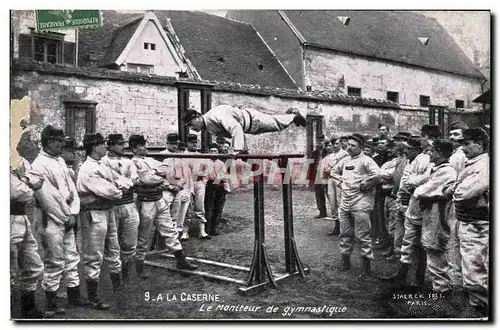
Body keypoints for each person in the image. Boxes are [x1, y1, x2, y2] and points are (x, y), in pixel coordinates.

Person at [31, 126, 83, 315]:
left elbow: (72, 189)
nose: (62, 144)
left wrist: (74, 212)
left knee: (71, 256)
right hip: (50, 218)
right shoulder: (38, 165)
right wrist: (66, 216)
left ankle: (74, 297)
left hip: (68, 215)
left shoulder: (60, 160)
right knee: (54, 259)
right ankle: (51, 302)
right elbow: (48, 199)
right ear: (50, 142)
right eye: (59, 141)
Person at [129, 135, 198, 273]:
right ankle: (139, 266)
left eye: (144, 144)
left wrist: (154, 174)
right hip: (146, 201)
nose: (144, 147)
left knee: (170, 230)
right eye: (141, 145)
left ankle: (181, 260)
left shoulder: (150, 160)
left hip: (159, 198)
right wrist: (155, 176)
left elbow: (167, 171)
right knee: (143, 235)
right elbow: (143, 180)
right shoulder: (132, 163)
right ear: (134, 148)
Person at [382, 124, 440, 287]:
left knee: (420, 244)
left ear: (431, 138)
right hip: (404, 203)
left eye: (423, 135)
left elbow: (421, 180)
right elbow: (406, 181)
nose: (406, 151)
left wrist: (412, 183)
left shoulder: (430, 158)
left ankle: (419, 278)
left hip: (420, 206)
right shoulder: (415, 158)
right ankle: (401, 274)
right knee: (404, 241)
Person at [77, 133, 125, 309]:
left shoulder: (102, 164)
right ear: (94, 147)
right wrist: (117, 189)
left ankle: (117, 286)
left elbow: (121, 182)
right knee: (94, 253)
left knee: (114, 246)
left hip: (107, 209)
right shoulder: (87, 168)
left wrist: (117, 187)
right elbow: (113, 191)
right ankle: (92, 295)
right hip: (93, 212)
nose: (106, 146)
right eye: (102, 144)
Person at [331, 134, 380, 276]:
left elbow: (377, 175)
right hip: (345, 203)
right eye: (349, 145)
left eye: (353, 146)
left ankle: (366, 269)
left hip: (361, 204)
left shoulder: (367, 160)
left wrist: (367, 185)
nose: (350, 148)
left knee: (363, 236)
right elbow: (333, 171)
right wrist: (340, 182)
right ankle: (345, 263)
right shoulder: (345, 160)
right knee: (345, 234)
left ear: (361, 147)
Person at [453, 128, 489, 315]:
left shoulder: (484, 165)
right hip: (465, 221)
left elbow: (463, 193)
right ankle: (475, 305)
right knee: (465, 267)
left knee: (475, 272)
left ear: (480, 144)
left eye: (467, 144)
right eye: (462, 144)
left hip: (477, 225)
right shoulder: (472, 163)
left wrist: (453, 189)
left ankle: (482, 312)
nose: (463, 148)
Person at [414, 139, 456, 294]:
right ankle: (439, 287)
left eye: (432, 151)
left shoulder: (446, 171)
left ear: (440, 153)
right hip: (433, 214)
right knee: (433, 250)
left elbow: (420, 191)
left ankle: (441, 291)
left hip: (440, 215)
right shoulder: (437, 169)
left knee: (437, 250)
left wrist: (423, 191)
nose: (429, 153)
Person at [101, 134, 140, 285]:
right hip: (111, 205)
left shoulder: (128, 162)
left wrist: (124, 184)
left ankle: (127, 276)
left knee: (129, 242)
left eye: (123, 144)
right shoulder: (102, 162)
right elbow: (106, 184)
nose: (123, 147)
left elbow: (134, 181)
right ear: (110, 146)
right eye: (119, 144)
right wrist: (121, 185)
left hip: (128, 203)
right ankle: (112, 278)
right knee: (111, 243)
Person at [182, 105, 306, 152]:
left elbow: (236, 129)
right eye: (189, 126)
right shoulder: (207, 127)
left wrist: (237, 150)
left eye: (191, 124)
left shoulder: (215, 115)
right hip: (249, 128)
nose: (191, 128)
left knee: (277, 124)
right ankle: (290, 115)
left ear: (198, 117)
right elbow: (228, 136)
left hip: (253, 119)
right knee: (276, 123)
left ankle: (294, 114)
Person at [11, 167, 49, 318]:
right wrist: (27, 180)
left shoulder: (17, 162)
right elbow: (18, 192)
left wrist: (25, 181)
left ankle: (28, 309)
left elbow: (39, 178)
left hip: (21, 217)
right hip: (8, 217)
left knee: (33, 266)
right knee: (10, 269)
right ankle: (10, 313)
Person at [446, 121, 469, 289]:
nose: (452, 137)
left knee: (454, 240)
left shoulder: (460, 155)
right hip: (452, 198)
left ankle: (456, 283)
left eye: (456, 134)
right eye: (451, 134)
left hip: (456, 199)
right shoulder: (454, 154)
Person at [322, 137, 349, 235]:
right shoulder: (331, 155)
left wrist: (331, 168)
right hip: (331, 179)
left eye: (337, 143)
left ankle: (344, 228)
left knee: (340, 201)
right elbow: (325, 169)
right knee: (332, 202)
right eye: (333, 144)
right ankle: (336, 226)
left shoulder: (345, 154)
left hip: (340, 178)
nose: (335, 146)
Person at [311, 134, 328, 218]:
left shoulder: (328, 151)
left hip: (327, 174)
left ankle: (335, 211)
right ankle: (322, 212)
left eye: (321, 141)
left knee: (330, 193)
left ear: (324, 141)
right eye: (318, 141)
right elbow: (311, 165)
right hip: (317, 174)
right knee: (318, 193)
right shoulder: (314, 152)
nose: (319, 143)